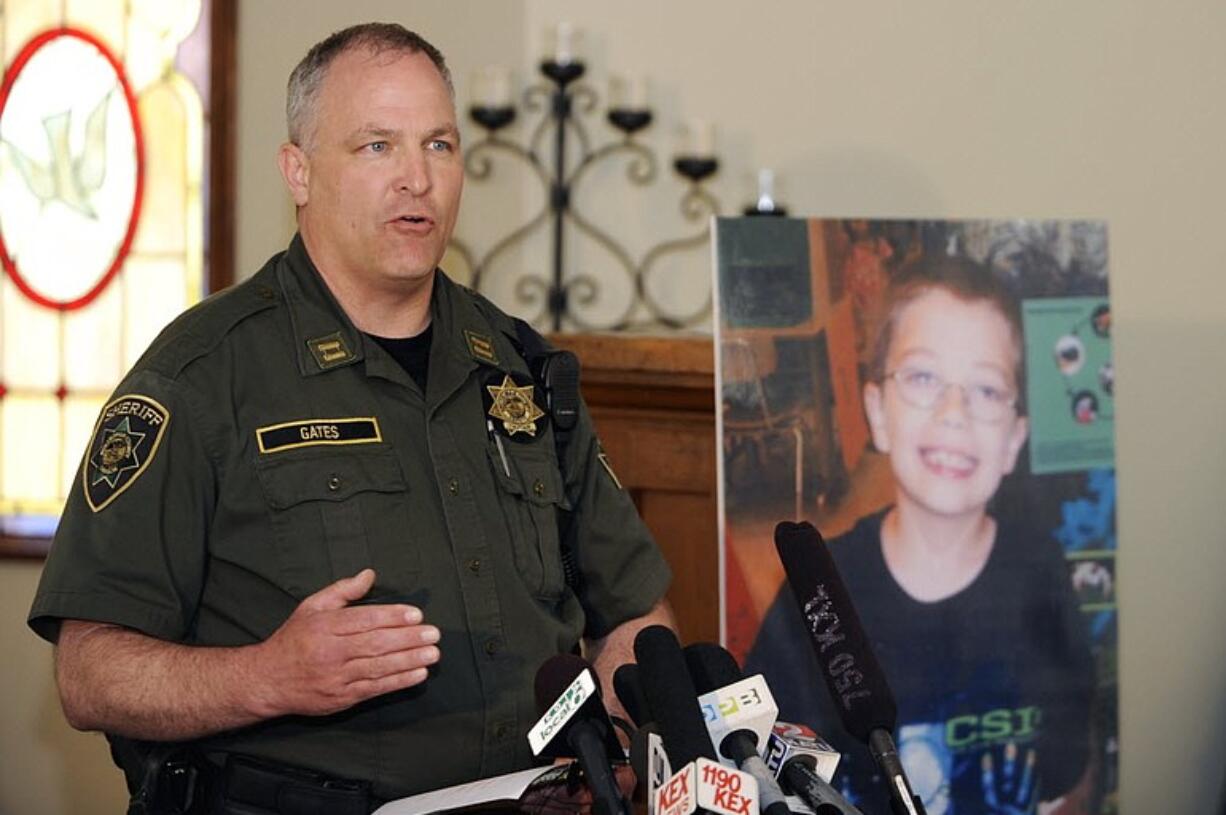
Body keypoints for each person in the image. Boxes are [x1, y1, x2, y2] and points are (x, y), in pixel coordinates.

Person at [28, 22, 673, 812]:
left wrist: (628, 728)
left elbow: (632, 608)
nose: (417, 179)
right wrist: (268, 675)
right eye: (377, 147)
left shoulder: (521, 369)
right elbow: (89, 673)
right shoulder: (201, 376)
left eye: (439, 145)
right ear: (297, 172)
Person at [747, 255, 1096, 815]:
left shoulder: (1041, 575)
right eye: (923, 377)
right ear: (877, 411)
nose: (953, 412)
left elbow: (1066, 776)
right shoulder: (815, 592)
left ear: (1014, 439)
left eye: (985, 389)